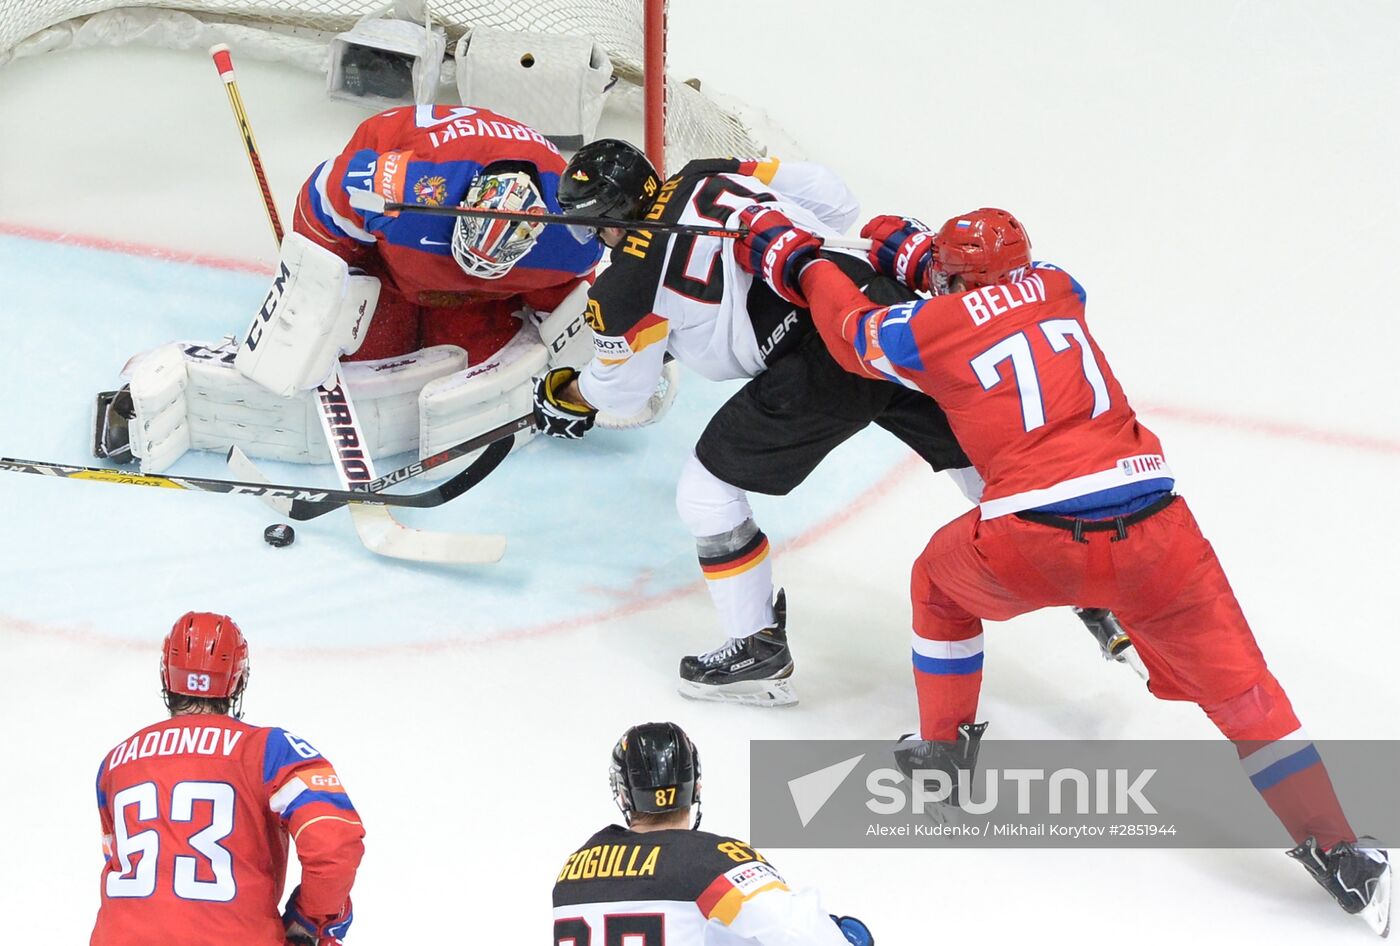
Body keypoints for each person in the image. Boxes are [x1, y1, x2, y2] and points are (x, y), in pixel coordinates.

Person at [734, 205, 1392, 935]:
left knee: (937, 585)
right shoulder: (1058, 285)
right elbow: (988, 296)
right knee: (1249, 701)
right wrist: (923, 258)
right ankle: (1341, 849)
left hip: (1033, 540)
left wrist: (797, 260)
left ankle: (944, 751)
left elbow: (854, 333)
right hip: (1157, 537)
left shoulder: (928, 330)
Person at [532, 139, 978, 706]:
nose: (597, 239)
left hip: (823, 358)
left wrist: (570, 394)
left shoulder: (624, 286)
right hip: (885, 308)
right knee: (977, 456)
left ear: (611, 216)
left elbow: (625, 392)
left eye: (595, 227)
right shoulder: (705, 171)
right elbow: (834, 198)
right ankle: (1081, 561)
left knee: (707, 489)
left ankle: (756, 647)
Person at [96, 104, 604, 476]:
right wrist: (321, 284)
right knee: (361, 349)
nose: (475, 265)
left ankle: (462, 299)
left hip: (481, 292)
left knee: (478, 358)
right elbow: (319, 204)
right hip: (391, 261)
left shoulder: (571, 241)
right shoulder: (399, 187)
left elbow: (570, 298)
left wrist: (596, 358)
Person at [91, 612, 365, 946]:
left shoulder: (115, 764)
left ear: (166, 675)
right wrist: (311, 921)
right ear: (238, 679)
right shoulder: (270, 750)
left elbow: (119, 861)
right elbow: (334, 844)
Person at [552, 721, 872, 946]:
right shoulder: (707, 861)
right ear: (696, 786)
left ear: (623, 794)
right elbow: (801, 933)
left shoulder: (572, 872)